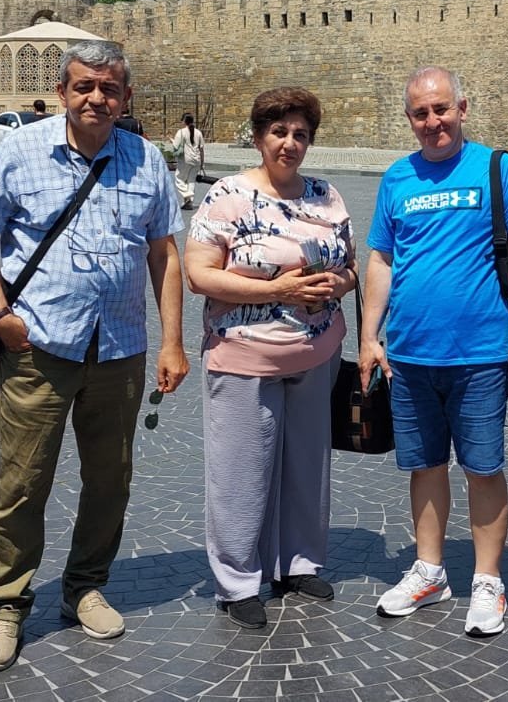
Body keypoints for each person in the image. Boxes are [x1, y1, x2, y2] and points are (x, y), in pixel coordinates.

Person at [0, 39, 191, 672]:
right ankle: (7, 605)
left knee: (110, 479)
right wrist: (0, 317)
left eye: (108, 88)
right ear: (63, 91)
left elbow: (165, 255)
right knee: (24, 480)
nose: (96, 97)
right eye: (84, 86)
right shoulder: (22, 150)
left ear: (126, 96)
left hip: (119, 349)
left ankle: (85, 585)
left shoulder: (145, 160)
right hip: (38, 347)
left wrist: (172, 340)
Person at [359, 66, 508, 637]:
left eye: (442, 110)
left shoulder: (496, 168)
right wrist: (369, 336)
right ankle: (430, 570)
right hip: (411, 355)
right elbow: (381, 261)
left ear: (462, 108)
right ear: (409, 117)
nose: (433, 122)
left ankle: (488, 580)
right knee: (424, 465)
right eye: (421, 113)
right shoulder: (397, 178)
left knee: (484, 468)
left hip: (481, 351)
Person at [183, 88, 355, 630]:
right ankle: (238, 580)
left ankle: (298, 563)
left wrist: (338, 282)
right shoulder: (229, 195)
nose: (290, 143)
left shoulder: (327, 196)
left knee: (307, 464)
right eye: (279, 132)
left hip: (316, 350)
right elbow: (200, 274)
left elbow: (350, 265)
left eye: (300, 134)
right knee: (241, 470)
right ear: (259, 138)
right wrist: (277, 291)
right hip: (244, 355)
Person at [169, 113, 205, 210]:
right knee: (191, 181)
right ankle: (189, 202)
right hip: (196, 159)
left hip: (185, 160)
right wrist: (202, 162)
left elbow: (176, 146)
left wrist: (172, 141)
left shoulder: (181, 132)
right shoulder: (198, 132)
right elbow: (201, 149)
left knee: (179, 179)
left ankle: (187, 195)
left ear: (184, 121)